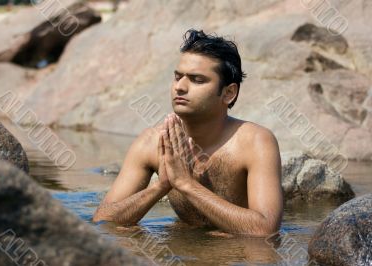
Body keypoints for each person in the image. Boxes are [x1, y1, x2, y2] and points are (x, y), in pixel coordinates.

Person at [93, 29, 283, 236]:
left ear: (229, 93)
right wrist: (160, 187)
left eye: (197, 80)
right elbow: (103, 221)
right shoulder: (151, 142)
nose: (180, 87)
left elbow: (265, 230)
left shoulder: (255, 142)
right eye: (177, 77)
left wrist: (186, 185)